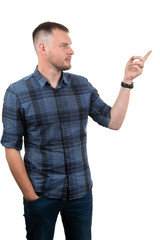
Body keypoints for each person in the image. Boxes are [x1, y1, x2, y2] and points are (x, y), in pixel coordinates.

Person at [1, 21, 151, 240]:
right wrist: (29, 195)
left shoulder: (82, 86)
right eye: (64, 46)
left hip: (80, 194)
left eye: (70, 45)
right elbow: (11, 147)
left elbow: (113, 121)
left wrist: (127, 81)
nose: (71, 51)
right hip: (41, 195)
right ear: (43, 48)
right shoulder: (17, 92)